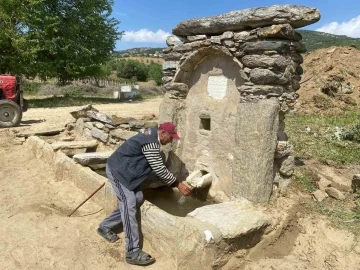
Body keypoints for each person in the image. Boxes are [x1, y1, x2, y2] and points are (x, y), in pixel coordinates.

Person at [97, 122, 192, 266]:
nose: (171, 141)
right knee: (129, 204)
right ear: (163, 133)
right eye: (171, 137)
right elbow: (159, 169)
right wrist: (178, 184)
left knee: (138, 198)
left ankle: (105, 226)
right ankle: (132, 251)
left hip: (127, 172)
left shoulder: (151, 133)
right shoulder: (152, 143)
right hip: (118, 172)